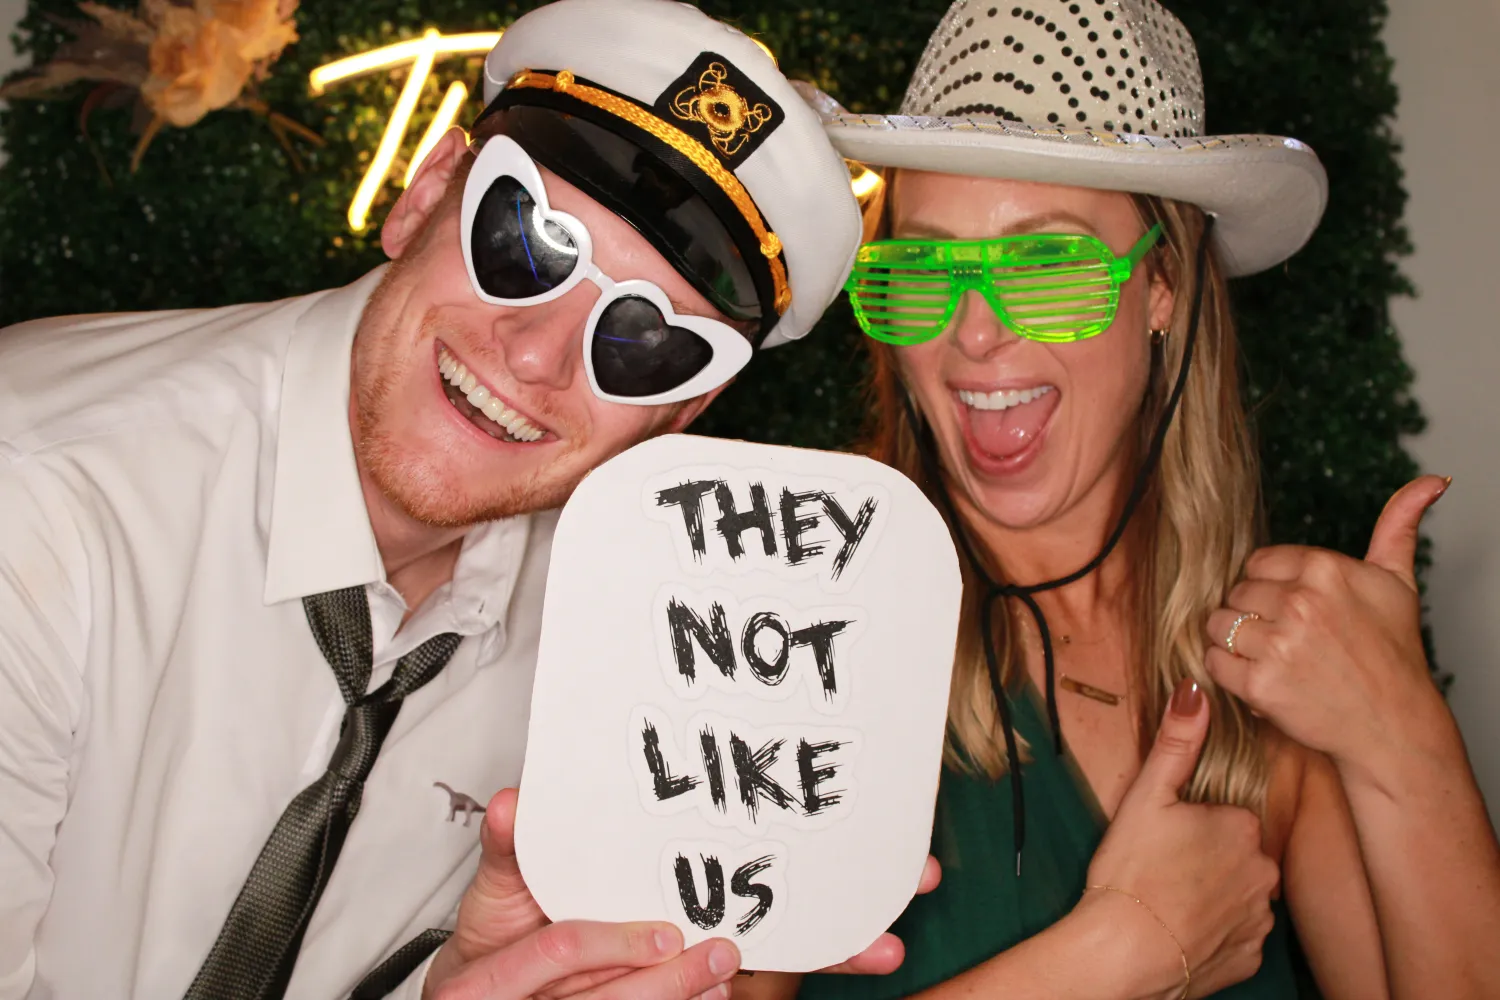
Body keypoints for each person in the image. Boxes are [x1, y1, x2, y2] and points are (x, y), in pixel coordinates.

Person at [0, 2, 929, 997]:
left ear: (681, 409)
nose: (533, 355)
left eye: (643, 341)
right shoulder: (40, 502)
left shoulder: (638, 659)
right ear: (427, 190)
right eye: (525, 242)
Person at [738, 2, 1500, 999]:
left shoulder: (1270, 677)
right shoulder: (779, 637)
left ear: (1163, 292)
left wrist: (1404, 729)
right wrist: (1119, 953)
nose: (971, 335)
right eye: (922, 266)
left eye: (1047, 266)